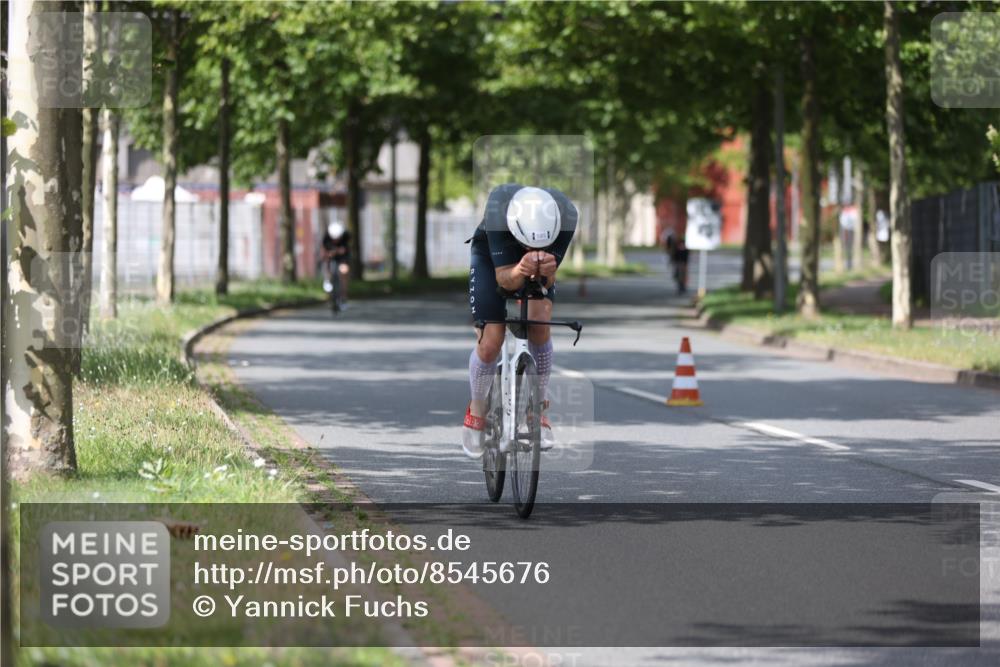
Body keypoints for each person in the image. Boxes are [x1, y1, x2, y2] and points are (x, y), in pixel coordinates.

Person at [463, 184, 578, 459]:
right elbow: (504, 280)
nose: (531, 249)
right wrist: (519, 268)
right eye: (527, 244)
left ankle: (537, 410)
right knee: (491, 340)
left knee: (540, 322)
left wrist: (546, 273)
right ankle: (477, 407)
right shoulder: (498, 208)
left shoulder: (567, 215)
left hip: (535, 262)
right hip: (493, 259)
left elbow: (547, 281)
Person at [321, 221, 351, 306]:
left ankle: (344, 293)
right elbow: (324, 250)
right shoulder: (326, 237)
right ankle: (327, 281)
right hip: (330, 256)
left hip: (342, 257)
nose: (336, 240)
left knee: (344, 271)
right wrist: (328, 254)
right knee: (327, 267)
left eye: (337, 238)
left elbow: (348, 249)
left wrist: (342, 251)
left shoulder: (346, 236)